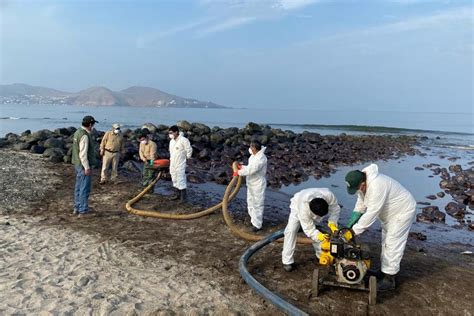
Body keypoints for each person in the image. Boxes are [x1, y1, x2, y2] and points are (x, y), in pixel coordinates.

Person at [344, 163, 416, 292]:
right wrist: (349, 226)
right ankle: (383, 271)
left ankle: (390, 279)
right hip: (390, 214)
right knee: (385, 242)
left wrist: (354, 232)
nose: (358, 191)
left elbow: (371, 213)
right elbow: (360, 206)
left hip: (402, 211)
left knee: (393, 243)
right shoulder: (363, 184)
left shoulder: (377, 185)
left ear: (362, 184)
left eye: (357, 188)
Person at [281, 188, 341, 272]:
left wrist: (332, 223)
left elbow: (335, 209)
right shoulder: (303, 209)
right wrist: (319, 236)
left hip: (314, 207)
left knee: (318, 232)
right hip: (297, 206)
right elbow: (309, 230)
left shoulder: (329, 196)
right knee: (291, 230)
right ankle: (287, 261)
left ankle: (321, 256)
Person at [234, 141, 268, 232]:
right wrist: (242, 167)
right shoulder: (253, 156)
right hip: (251, 183)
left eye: (251, 147)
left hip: (258, 184)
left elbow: (252, 170)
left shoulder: (261, 158)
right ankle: (253, 220)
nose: (250, 149)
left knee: (257, 203)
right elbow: (249, 167)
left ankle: (257, 225)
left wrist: (239, 172)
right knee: (250, 202)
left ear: (255, 148)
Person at [72, 115, 99, 217]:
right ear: (90, 124)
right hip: (83, 165)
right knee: (84, 188)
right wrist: (87, 167)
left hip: (77, 163)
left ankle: (77, 207)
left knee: (78, 186)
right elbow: (83, 154)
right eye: (93, 124)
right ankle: (83, 210)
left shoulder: (77, 132)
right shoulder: (84, 136)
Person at [168, 125, 192, 202]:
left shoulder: (183, 140)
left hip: (180, 162)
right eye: (169, 133)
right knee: (174, 177)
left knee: (181, 178)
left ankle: (183, 198)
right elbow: (171, 152)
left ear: (176, 132)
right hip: (173, 162)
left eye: (171, 133)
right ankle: (176, 194)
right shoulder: (171, 142)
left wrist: (187, 158)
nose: (170, 134)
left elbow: (189, 150)